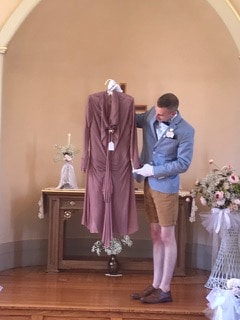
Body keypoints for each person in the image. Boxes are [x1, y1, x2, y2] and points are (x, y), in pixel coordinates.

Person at [132, 93, 194, 304]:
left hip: (166, 187)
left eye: (161, 115)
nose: (156, 117)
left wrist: (154, 170)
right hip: (149, 185)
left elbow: (183, 164)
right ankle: (155, 284)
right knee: (155, 234)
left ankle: (165, 289)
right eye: (156, 113)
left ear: (173, 113)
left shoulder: (185, 130)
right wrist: (117, 100)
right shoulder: (151, 113)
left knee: (167, 237)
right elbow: (132, 120)